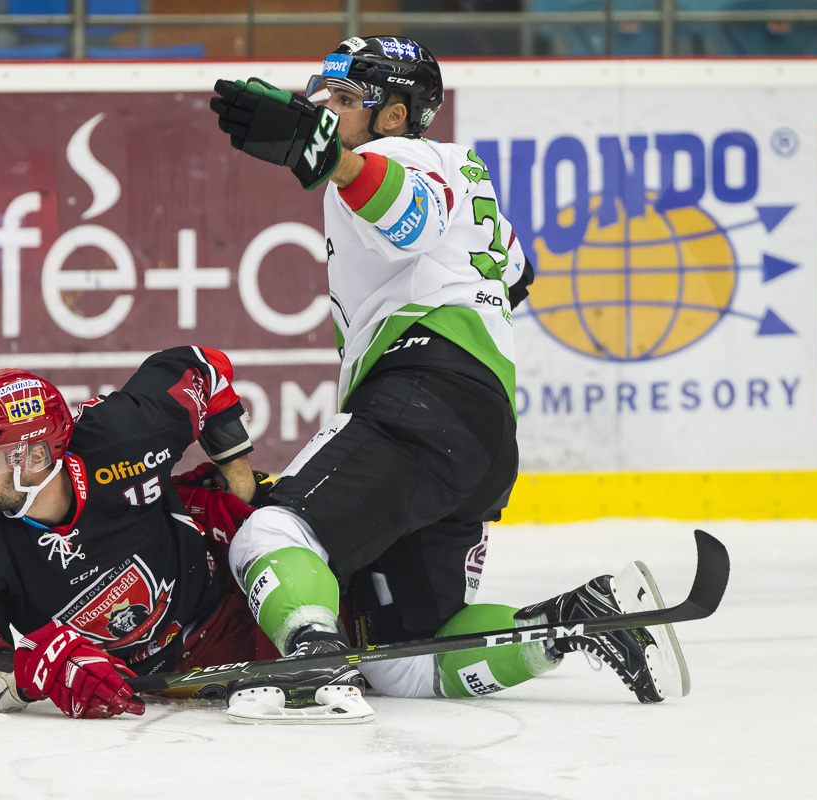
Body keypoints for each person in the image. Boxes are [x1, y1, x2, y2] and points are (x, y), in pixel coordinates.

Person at [208, 35, 688, 723]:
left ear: (394, 116)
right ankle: (574, 620)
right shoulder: (460, 169)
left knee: (271, 533)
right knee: (405, 661)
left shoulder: (398, 157)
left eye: (346, 98)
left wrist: (331, 159)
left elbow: (412, 218)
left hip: (421, 395)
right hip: (479, 426)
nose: (327, 109)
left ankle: (311, 662)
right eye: (326, 94)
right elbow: (517, 273)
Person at [0, 346, 277, 719]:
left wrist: (242, 485)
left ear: (37, 457)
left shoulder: (123, 434)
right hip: (133, 682)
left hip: (227, 604)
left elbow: (200, 366)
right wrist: (35, 672)